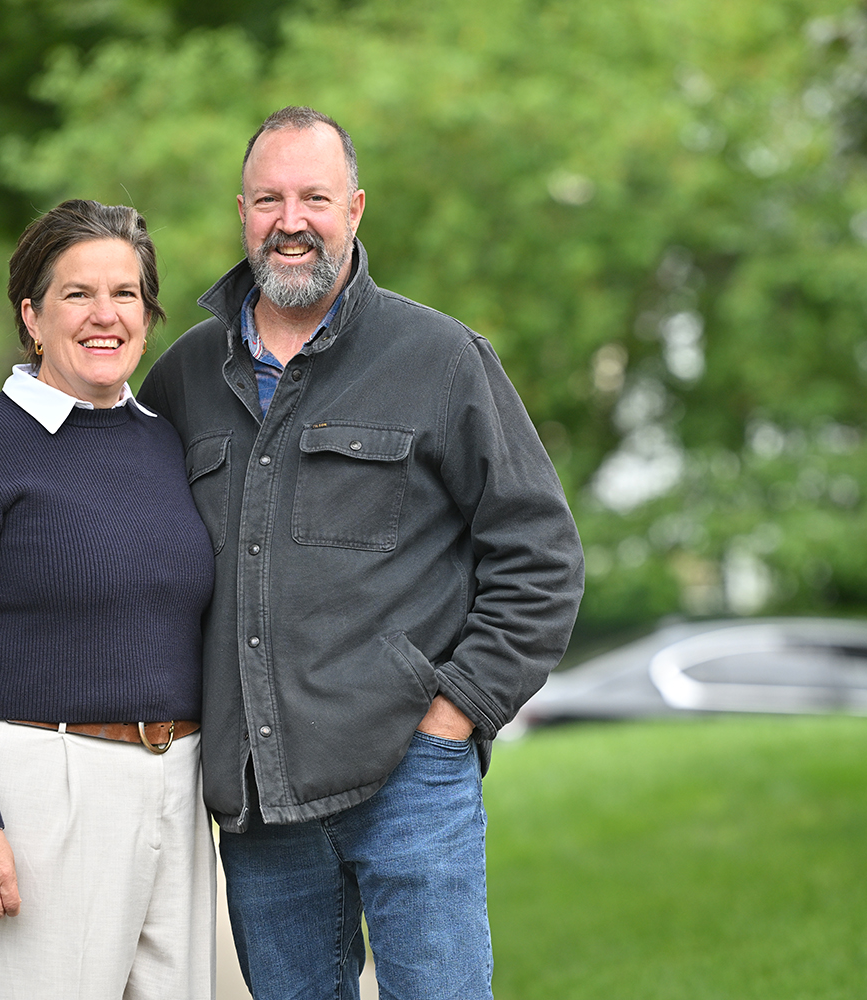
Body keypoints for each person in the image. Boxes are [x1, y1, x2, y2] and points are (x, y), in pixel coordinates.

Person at [137, 106, 585, 1000]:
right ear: (241, 212)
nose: (291, 220)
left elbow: (541, 558)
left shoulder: (442, 358)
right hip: (260, 799)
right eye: (270, 199)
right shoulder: (185, 375)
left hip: (410, 777)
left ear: (356, 209)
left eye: (315, 197)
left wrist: (457, 714)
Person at [0, 199, 217, 999]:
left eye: (126, 294)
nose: (104, 315)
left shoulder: (168, 445)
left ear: (148, 316)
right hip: (44, 793)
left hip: (176, 785)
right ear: (32, 315)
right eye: (78, 294)